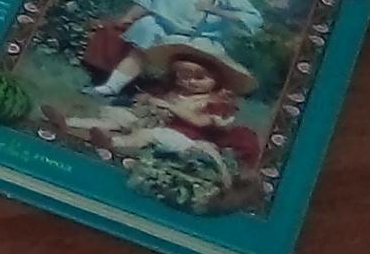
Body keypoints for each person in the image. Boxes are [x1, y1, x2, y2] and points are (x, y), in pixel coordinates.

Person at [87, 0, 263, 96]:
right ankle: (113, 85)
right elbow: (146, 0)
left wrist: (217, 11)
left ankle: (177, 98)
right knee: (140, 48)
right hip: (160, 26)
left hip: (197, 37)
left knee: (192, 67)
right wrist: (129, 17)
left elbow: (252, 17)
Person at [58, 43, 262, 167]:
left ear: (217, 81)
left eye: (199, 78)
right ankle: (70, 122)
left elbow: (201, 122)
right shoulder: (173, 91)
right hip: (156, 122)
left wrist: (170, 107)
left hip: (188, 140)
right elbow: (152, 100)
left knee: (150, 135)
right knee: (122, 117)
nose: (190, 82)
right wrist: (146, 100)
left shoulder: (214, 103)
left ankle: (114, 143)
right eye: (183, 76)